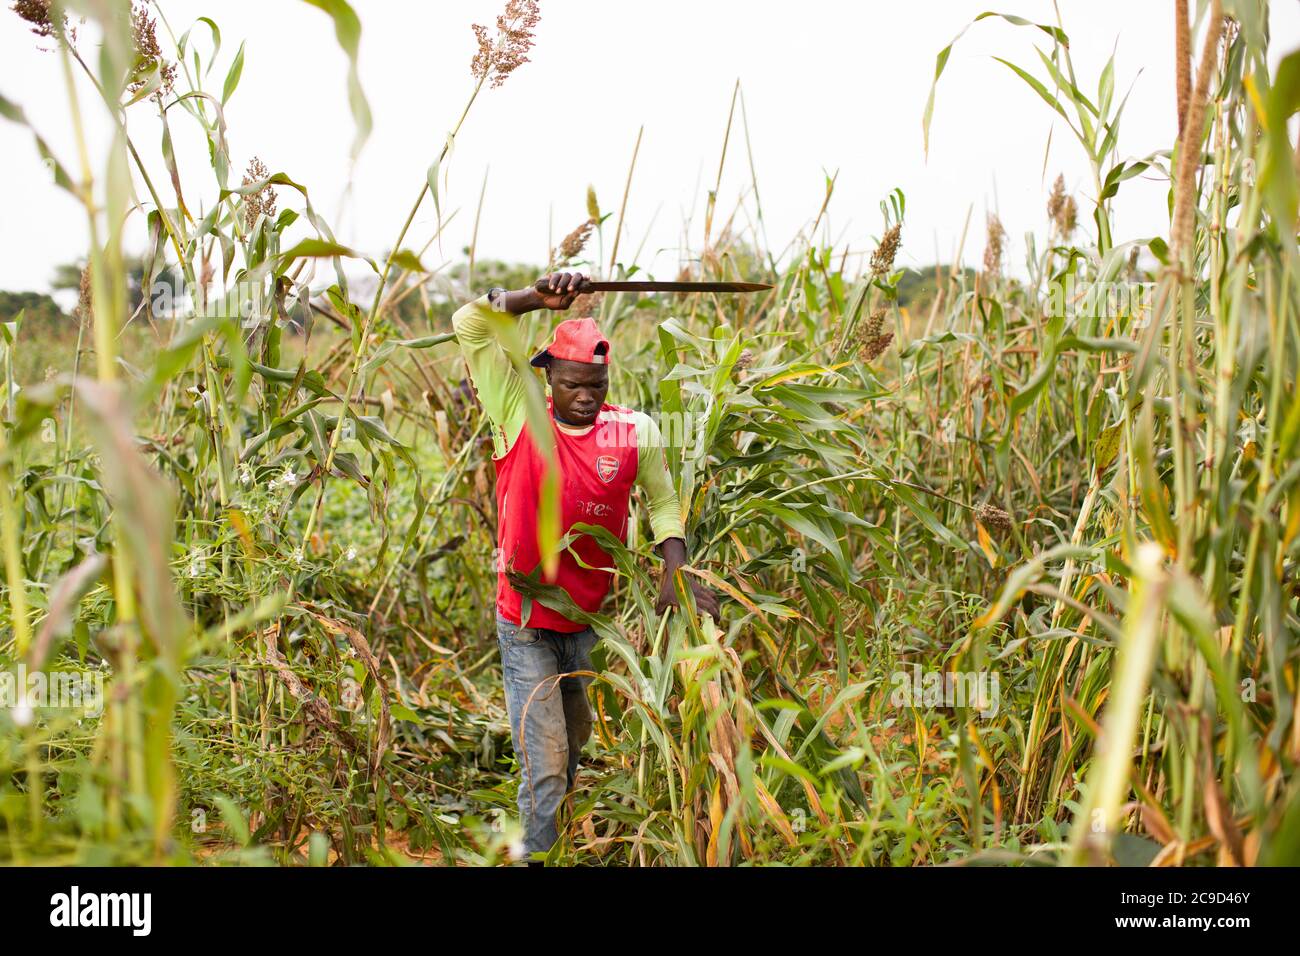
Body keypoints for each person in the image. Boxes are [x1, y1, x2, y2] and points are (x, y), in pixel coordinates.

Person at [451, 271, 719, 864]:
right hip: (525, 620)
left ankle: (551, 846)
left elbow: (665, 504)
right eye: (573, 384)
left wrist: (676, 569)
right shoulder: (517, 412)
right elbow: (469, 325)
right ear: (548, 374)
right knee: (546, 769)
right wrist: (532, 299)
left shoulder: (633, 432)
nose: (586, 397)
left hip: (588, 623)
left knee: (570, 755)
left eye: (596, 385)